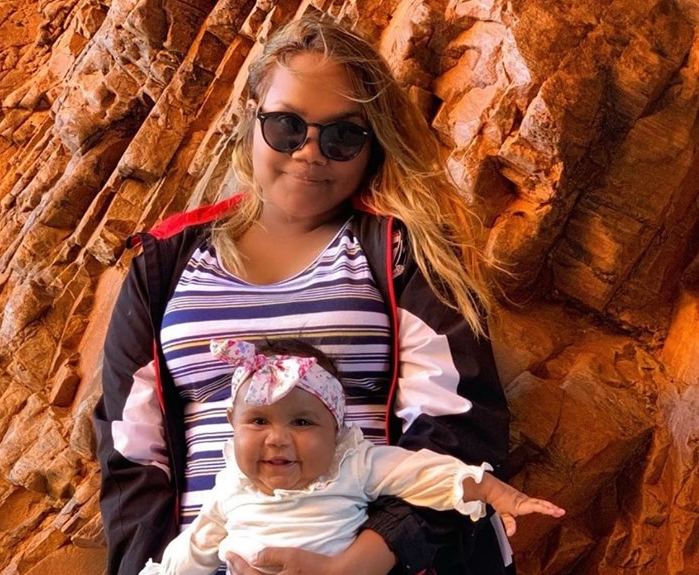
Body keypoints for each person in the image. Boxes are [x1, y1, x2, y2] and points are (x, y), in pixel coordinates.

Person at [94, 14, 515, 575]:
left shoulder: (404, 253)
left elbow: (457, 426)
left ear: (372, 146)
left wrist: (358, 563)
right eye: (288, 126)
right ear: (252, 121)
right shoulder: (166, 262)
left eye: (342, 135)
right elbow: (130, 455)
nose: (310, 152)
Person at [137, 339, 564, 575]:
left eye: (302, 423)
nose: (277, 440)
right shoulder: (232, 485)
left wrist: (494, 492)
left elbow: (425, 474)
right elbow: (195, 548)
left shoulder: (352, 464)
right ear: (232, 422)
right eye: (259, 422)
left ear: (335, 433)